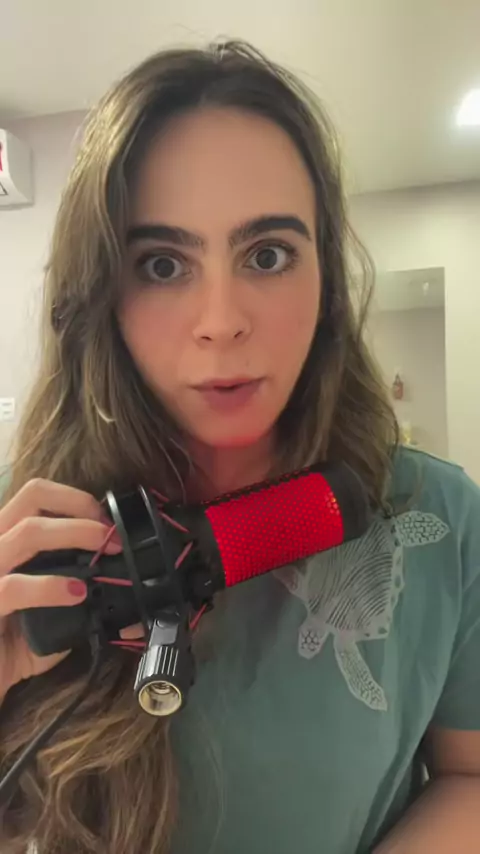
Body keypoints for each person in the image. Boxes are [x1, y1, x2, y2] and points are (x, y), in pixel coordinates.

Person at [0, 40, 479, 854]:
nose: (221, 322)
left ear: (327, 280)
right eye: (161, 264)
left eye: (268, 255)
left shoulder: (441, 517)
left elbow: (470, 774)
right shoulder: (24, 539)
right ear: (102, 295)